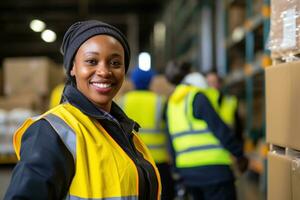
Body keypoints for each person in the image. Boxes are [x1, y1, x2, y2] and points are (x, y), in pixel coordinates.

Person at [4, 20, 161, 200]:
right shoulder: (51, 133)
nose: (104, 71)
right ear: (72, 67)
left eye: (115, 63)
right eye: (92, 61)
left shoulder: (124, 131)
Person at [164, 61, 248, 200]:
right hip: (215, 172)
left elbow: (170, 141)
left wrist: (176, 172)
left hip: (189, 175)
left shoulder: (172, 103)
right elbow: (220, 129)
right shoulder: (197, 97)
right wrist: (239, 154)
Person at [118, 66, 175, 200]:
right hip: (158, 160)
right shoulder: (160, 101)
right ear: (150, 81)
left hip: (132, 160)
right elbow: (170, 131)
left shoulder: (122, 102)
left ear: (133, 81)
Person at [205, 70, 244, 143]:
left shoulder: (231, 101)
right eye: (208, 83)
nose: (211, 85)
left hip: (228, 144)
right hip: (209, 146)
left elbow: (238, 128)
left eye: (214, 82)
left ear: (219, 84)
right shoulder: (202, 103)